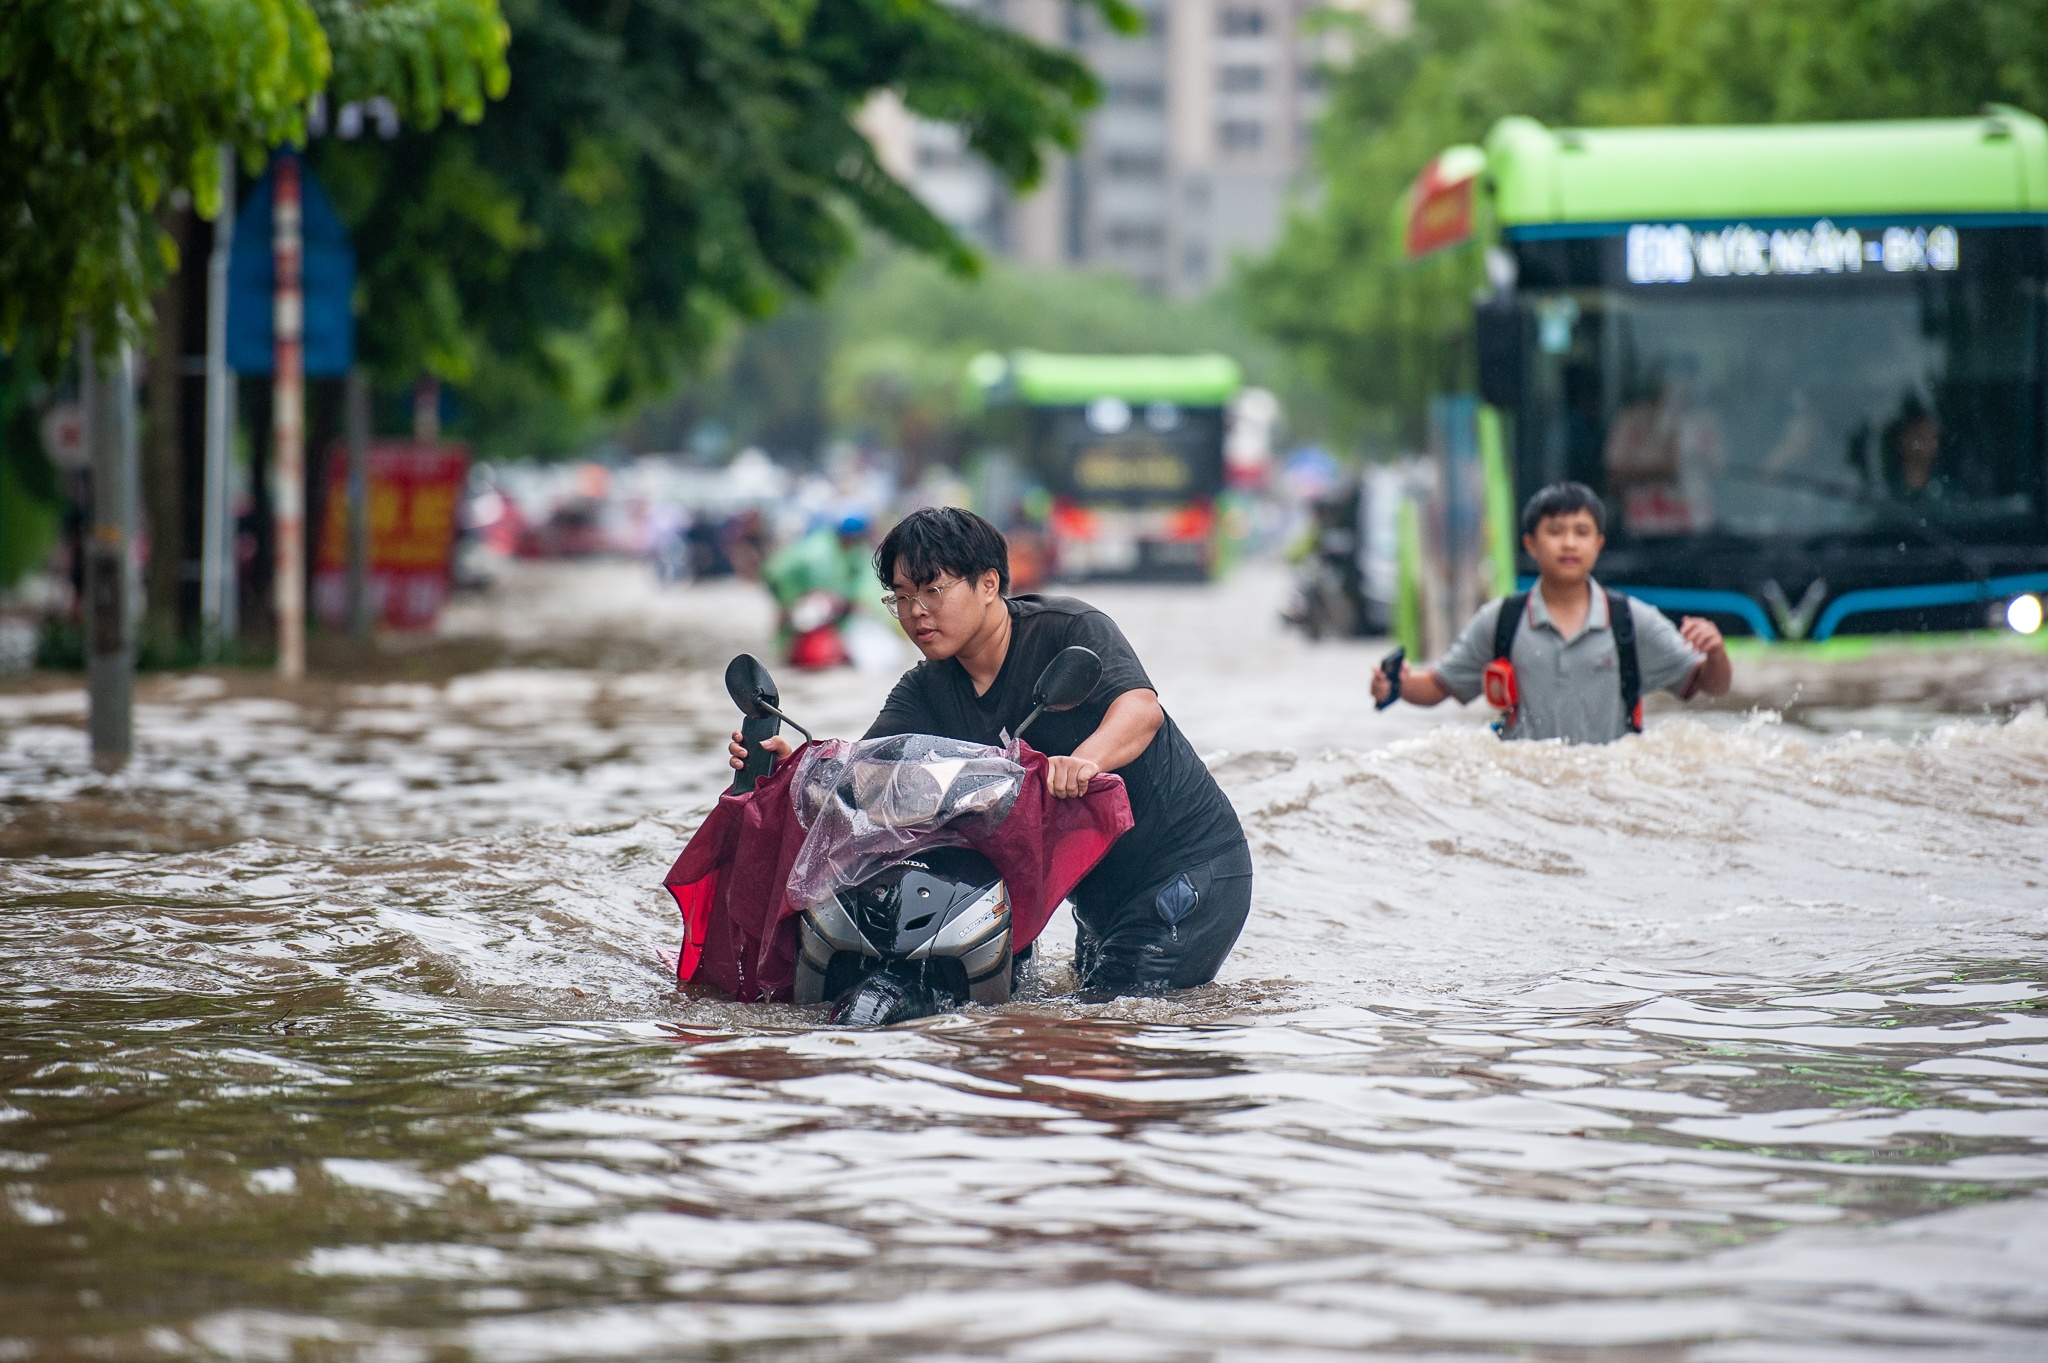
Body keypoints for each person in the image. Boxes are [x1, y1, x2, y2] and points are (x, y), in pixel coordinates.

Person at [730, 506, 1251, 997]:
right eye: (901, 597)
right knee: (1071, 1024)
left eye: (933, 590)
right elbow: (870, 774)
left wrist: (1084, 760)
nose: (915, 612)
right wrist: (793, 768)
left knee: (1116, 1025)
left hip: (1186, 867)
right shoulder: (925, 689)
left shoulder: (1069, 629)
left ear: (988, 584)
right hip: (1090, 892)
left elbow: (1140, 711)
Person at [1373, 483, 1732, 742]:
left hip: (1612, 793)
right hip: (1527, 798)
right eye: (1556, 531)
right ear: (1531, 544)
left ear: (1598, 544)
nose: (1569, 543)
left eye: (1581, 532)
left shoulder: (1631, 621)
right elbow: (1439, 685)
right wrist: (1397, 685)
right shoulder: (1501, 621)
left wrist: (1715, 652)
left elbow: (1709, 685)